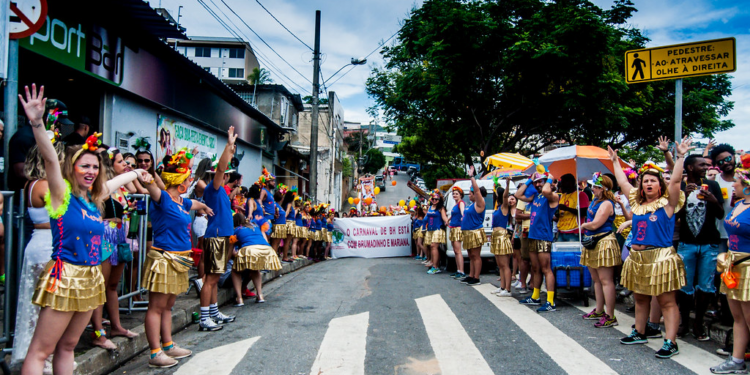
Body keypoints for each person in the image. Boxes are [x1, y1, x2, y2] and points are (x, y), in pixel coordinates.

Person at [19, 84, 146, 375]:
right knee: (42, 350)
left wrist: (135, 173)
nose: (90, 172)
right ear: (71, 169)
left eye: (94, 167)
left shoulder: (91, 202)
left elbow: (111, 185)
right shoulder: (61, 195)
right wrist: (37, 122)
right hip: (65, 276)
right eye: (84, 167)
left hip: (90, 278)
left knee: (67, 347)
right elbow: (51, 158)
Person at [609, 137, 691, 359]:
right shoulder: (636, 204)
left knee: (666, 301)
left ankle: (670, 341)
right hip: (638, 257)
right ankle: (639, 331)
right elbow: (624, 184)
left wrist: (680, 156)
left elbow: (675, 182)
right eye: (645, 181)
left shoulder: (668, 204)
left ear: (660, 185)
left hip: (661, 257)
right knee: (641, 298)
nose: (649, 184)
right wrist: (615, 162)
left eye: (653, 181)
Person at [140, 150, 213, 368]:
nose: (191, 181)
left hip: (180, 259)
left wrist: (206, 207)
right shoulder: (162, 198)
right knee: (156, 306)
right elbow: (152, 187)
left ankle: (168, 344)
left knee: (169, 305)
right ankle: (155, 352)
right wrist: (149, 178)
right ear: (179, 182)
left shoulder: (181, 202)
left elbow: (195, 204)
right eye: (188, 179)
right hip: (164, 258)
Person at [11, 142, 65, 368]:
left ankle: (39, 353)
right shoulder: (44, 185)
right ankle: (44, 356)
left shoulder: (30, 184)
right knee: (50, 305)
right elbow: (63, 210)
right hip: (46, 247)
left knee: (40, 303)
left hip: (39, 245)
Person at [89, 147, 140, 351]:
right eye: (120, 161)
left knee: (112, 286)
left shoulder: (120, 188)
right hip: (103, 236)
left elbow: (136, 190)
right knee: (100, 286)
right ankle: (98, 332)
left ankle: (116, 326)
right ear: (109, 165)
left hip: (118, 235)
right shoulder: (100, 186)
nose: (125, 165)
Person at [675, 153, 724, 341]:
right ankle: (684, 323)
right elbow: (674, 216)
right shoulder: (680, 187)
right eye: (701, 164)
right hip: (687, 244)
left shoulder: (712, 186)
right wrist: (684, 196)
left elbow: (720, 215)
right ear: (690, 168)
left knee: (706, 286)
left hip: (709, 245)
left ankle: (698, 324)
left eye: (706, 164)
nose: (706, 167)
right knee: (684, 287)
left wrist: (712, 199)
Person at [710, 158, 750, 373]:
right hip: (733, 265)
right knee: (739, 318)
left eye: (737, 182)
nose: (733, 185)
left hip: (749, 266)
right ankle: (737, 361)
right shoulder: (738, 204)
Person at [198, 126, 239, 332]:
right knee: (211, 279)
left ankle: (213, 312)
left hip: (223, 237)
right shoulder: (212, 188)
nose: (227, 175)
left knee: (214, 279)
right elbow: (221, 168)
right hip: (215, 238)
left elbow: (224, 167)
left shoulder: (221, 190)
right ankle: (204, 317)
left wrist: (231, 150)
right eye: (224, 173)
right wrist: (228, 145)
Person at [579, 173, 622, 328]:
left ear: (603, 188)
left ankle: (610, 315)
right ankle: (599, 309)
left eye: (596, 187)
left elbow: (596, 223)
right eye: (593, 186)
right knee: (596, 279)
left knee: (606, 280)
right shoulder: (595, 200)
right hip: (592, 241)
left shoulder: (607, 203)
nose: (593, 189)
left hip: (603, 241)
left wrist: (583, 226)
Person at [516, 171, 560, 312]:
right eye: (537, 182)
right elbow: (518, 195)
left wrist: (550, 178)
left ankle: (550, 301)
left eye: (541, 181)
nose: (538, 184)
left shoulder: (552, 197)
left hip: (543, 237)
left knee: (546, 269)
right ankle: (535, 296)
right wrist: (530, 180)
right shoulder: (536, 196)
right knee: (535, 268)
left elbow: (547, 189)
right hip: (533, 235)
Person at [9, 98, 74, 193]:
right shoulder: (25, 137)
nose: (59, 126)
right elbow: (20, 172)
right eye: (57, 122)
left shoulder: (47, 137)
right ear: (45, 118)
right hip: (23, 199)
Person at [230, 213, 282, 305]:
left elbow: (233, 251)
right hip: (266, 249)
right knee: (255, 269)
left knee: (235, 271)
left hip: (250, 249)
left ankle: (239, 298)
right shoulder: (255, 226)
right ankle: (260, 295)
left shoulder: (236, 230)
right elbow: (265, 239)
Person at [460, 167, 486, 286]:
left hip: (475, 231)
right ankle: (471, 275)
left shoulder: (480, 203)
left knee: (476, 255)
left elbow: (477, 191)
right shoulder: (471, 204)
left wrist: (472, 177)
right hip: (467, 232)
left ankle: (476, 277)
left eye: (470, 193)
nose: (469, 195)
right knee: (470, 255)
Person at [491, 178, 514, 296]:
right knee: (500, 264)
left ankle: (508, 289)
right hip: (495, 236)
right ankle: (502, 286)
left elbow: (505, 196)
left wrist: (507, 183)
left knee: (505, 264)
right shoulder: (498, 208)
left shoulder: (504, 207)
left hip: (502, 236)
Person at [557, 174, 589, 242]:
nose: (561, 185)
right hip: (561, 231)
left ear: (570, 183)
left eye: (563, 183)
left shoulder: (581, 194)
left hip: (575, 232)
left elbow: (584, 212)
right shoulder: (562, 196)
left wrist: (567, 208)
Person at [425, 190, 449, 274]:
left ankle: (435, 267)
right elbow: (426, 218)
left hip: (438, 229)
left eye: (436, 199)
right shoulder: (430, 207)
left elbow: (444, 217)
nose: (434, 200)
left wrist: (448, 222)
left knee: (433, 246)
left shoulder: (441, 208)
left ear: (439, 200)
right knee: (432, 247)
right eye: (433, 199)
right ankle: (435, 264)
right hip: (430, 229)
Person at [448, 186, 466, 279]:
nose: (454, 195)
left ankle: (461, 271)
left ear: (460, 195)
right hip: (453, 228)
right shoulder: (456, 205)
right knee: (455, 251)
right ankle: (458, 270)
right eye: (453, 194)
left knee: (458, 251)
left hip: (458, 229)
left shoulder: (461, 203)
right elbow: (454, 214)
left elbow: (463, 213)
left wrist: (463, 217)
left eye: (456, 194)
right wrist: (448, 219)